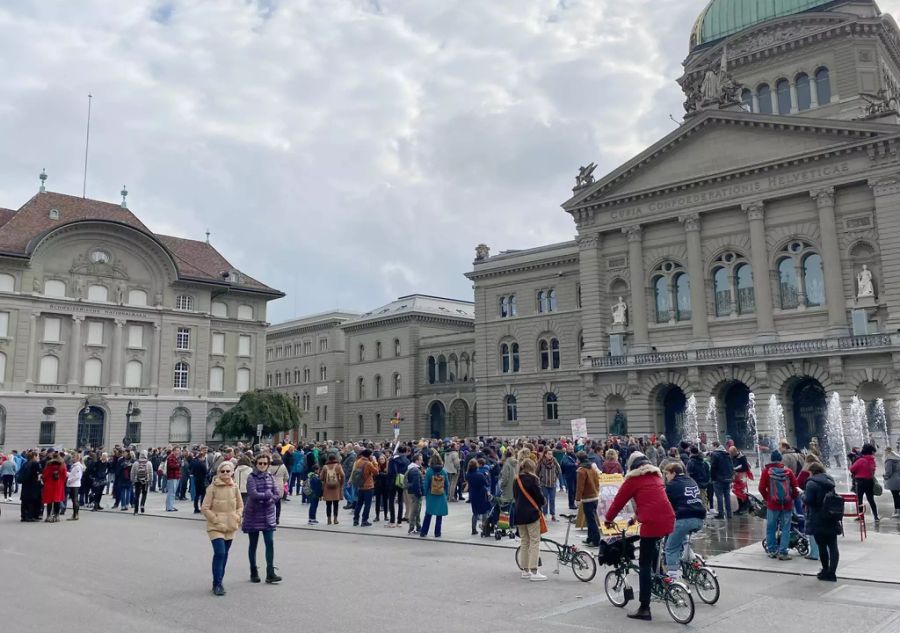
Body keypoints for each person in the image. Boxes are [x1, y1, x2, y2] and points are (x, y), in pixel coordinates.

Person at [603, 452, 675, 622]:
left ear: (632, 466)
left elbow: (618, 502)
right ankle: (661, 579)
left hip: (651, 523)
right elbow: (651, 501)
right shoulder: (656, 477)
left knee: (643, 564)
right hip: (668, 520)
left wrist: (607, 520)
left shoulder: (633, 480)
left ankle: (644, 607)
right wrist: (635, 517)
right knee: (654, 552)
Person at [202, 460, 244, 596]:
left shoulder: (235, 487)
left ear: (232, 473)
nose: (225, 473)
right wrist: (215, 519)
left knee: (225, 555)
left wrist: (237, 516)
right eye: (222, 471)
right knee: (219, 553)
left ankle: (220, 580)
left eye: (228, 471)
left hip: (231, 525)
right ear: (218, 472)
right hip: (216, 527)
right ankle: (217, 584)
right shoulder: (212, 488)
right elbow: (205, 508)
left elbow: (240, 505)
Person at [663, 462, 706, 580]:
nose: (666, 477)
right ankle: (692, 560)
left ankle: (672, 576)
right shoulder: (691, 480)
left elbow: (665, 504)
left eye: (667, 474)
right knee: (683, 538)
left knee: (670, 548)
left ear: (673, 473)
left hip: (684, 518)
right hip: (699, 518)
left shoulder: (672, 485)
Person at [242, 453, 281, 584]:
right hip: (253, 514)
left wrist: (270, 499)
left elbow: (277, 493)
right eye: (260, 463)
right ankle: (253, 570)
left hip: (268, 514)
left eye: (265, 463)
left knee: (270, 542)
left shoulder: (271, 477)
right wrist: (267, 495)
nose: (263, 466)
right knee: (253, 544)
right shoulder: (251, 477)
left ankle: (270, 572)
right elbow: (253, 494)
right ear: (256, 464)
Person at [758, 450, 800, 560]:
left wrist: (768, 498)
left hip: (772, 505)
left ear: (771, 459)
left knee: (771, 528)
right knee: (785, 528)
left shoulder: (766, 471)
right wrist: (792, 498)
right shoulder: (788, 471)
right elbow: (795, 488)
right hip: (787, 505)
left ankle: (772, 550)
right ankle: (783, 552)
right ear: (780, 459)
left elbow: (761, 488)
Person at [803, 461, 841, 581]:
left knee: (822, 545)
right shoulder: (830, 481)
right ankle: (832, 572)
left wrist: (801, 495)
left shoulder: (811, 483)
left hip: (817, 517)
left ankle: (825, 570)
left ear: (812, 472)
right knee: (833, 545)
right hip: (831, 516)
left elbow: (809, 500)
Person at [514, 458, 547, 581]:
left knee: (524, 542)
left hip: (519, 513)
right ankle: (534, 570)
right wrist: (543, 502)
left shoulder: (516, 480)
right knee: (534, 541)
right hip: (531, 514)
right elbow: (539, 496)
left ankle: (525, 570)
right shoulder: (533, 480)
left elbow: (515, 496)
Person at [575, 451, 601, 548]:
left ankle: (596, 540)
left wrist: (577, 499)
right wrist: (596, 491)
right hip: (595, 496)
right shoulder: (592, 468)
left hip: (587, 498)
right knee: (590, 518)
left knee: (591, 520)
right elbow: (597, 482)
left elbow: (580, 486)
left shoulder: (581, 470)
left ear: (579, 459)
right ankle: (590, 538)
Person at [420, 454, 449, 538]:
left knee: (428, 514)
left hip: (431, 494)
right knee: (439, 515)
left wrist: (424, 494)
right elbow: (447, 484)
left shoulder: (429, 471)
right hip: (441, 494)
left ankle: (424, 532)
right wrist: (446, 493)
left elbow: (426, 484)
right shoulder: (443, 471)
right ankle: (437, 532)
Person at [849, 443, 880, 523]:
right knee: (871, 499)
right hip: (869, 481)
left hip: (860, 482)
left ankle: (860, 516)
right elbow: (873, 471)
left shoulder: (860, 460)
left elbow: (852, 469)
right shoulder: (872, 460)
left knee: (860, 500)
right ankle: (876, 516)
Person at [352, 449, 378, 527]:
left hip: (360, 485)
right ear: (369, 455)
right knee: (367, 504)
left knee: (359, 503)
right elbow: (376, 472)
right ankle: (364, 520)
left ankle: (355, 520)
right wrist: (375, 462)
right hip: (368, 486)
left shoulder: (358, 461)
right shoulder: (368, 463)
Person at [465, 458, 491, 535]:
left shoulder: (468, 474)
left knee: (475, 513)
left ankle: (473, 529)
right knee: (485, 511)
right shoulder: (480, 475)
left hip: (473, 494)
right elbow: (487, 484)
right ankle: (484, 527)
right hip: (482, 494)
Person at [709, 442, 734, 519]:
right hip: (727, 478)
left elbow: (713, 467)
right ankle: (729, 513)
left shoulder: (715, 454)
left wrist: (713, 478)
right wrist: (730, 477)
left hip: (718, 478)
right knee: (727, 496)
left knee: (719, 496)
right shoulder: (727, 454)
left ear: (716, 446)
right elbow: (731, 466)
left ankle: (721, 513)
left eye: (712, 446)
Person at [387, 446, 410, 527]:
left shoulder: (393, 460)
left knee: (391, 500)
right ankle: (399, 522)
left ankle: (392, 521)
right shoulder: (407, 460)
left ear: (398, 451)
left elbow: (390, 472)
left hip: (393, 482)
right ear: (405, 451)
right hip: (402, 481)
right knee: (400, 501)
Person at [537, 449, 562, 521]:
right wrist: (539, 479)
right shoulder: (541, 462)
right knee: (545, 499)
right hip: (544, 484)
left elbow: (559, 470)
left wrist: (555, 477)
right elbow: (537, 471)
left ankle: (553, 514)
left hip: (552, 483)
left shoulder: (554, 461)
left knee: (552, 499)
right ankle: (544, 514)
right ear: (545, 454)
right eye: (549, 454)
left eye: (551, 454)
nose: (550, 455)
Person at [320, 453, 344, 525]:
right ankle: (335, 520)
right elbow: (343, 475)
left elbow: (321, 478)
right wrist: (341, 483)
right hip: (336, 487)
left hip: (327, 488)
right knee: (336, 504)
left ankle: (329, 520)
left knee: (328, 505)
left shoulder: (325, 467)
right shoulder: (338, 466)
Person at [729, 446, 753, 515]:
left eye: (731, 453)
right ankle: (740, 508)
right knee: (737, 493)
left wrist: (736, 469)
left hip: (742, 478)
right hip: (736, 478)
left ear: (734, 452)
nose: (730, 454)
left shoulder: (742, 457)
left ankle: (745, 508)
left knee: (743, 493)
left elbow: (745, 468)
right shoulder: (733, 457)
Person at [267, 452, 289, 525]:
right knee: (278, 503)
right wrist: (283, 481)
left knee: (271, 503)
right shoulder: (283, 466)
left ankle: (271, 517)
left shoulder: (269, 466)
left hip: (270, 485)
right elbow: (287, 476)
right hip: (279, 485)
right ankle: (277, 518)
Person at [406, 453, 424, 534]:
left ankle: (418, 526)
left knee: (416, 510)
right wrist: (420, 493)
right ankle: (412, 528)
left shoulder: (411, 468)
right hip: (415, 493)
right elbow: (416, 484)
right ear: (416, 461)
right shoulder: (415, 470)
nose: (422, 461)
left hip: (411, 492)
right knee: (415, 510)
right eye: (420, 459)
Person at [131, 450, 152, 515]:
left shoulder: (136, 463)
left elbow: (132, 472)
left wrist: (132, 480)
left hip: (137, 480)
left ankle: (136, 510)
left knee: (137, 495)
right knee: (144, 493)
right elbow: (151, 473)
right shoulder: (149, 463)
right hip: (146, 481)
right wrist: (151, 481)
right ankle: (142, 505)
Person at [65, 453, 84, 521]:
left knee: (75, 500)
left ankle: (75, 514)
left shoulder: (78, 466)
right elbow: (72, 474)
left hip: (75, 484)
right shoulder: (75, 466)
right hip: (73, 484)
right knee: (74, 500)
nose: (72, 458)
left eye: (74, 457)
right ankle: (75, 514)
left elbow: (77, 476)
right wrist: (66, 473)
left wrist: (69, 480)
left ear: (77, 458)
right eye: (72, 457)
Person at [885, 446, 900, 519]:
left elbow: (889, 472)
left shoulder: (889, 460)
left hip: (894, 480)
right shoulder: (898, 459)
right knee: (898, 495)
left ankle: (897, 511)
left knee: (895, 495)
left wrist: (885, 476)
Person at [165, 448, 181, 512]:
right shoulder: (171, 457)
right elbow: (171, 466)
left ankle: (170, 506)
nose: (178, 452)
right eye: (177, 450)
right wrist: (178, 465)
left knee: (173, 492)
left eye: (178, 451)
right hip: (172, 477)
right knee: (171, 492)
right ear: (173, 451)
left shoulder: (176, 457)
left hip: (176, 476)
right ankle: (169, 507)